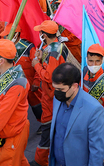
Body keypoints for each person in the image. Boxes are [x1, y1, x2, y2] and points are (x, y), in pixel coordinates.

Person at [31, 20, 72, 166]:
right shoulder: (55, 46)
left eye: (40, 32)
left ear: (44, 35)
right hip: (55, 95)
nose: (39, 34)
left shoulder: (54, 51)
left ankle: (41, 160)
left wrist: (36, 64)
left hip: (52, 97)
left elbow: (49, 76)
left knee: (48, 131)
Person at [49, 63, 104, 166]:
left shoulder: (94, 110)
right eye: (55, 89)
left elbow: (97, 152)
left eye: (61, 90)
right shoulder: (57, 100)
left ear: (75, 86)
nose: (57, 93)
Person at [82, 44, 104, 166]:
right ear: (86, 60)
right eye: (90, 61)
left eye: (97, 61)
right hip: (86, 127)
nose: (93, 65)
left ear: (102, 61)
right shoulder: (83, 74)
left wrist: (97, 109)